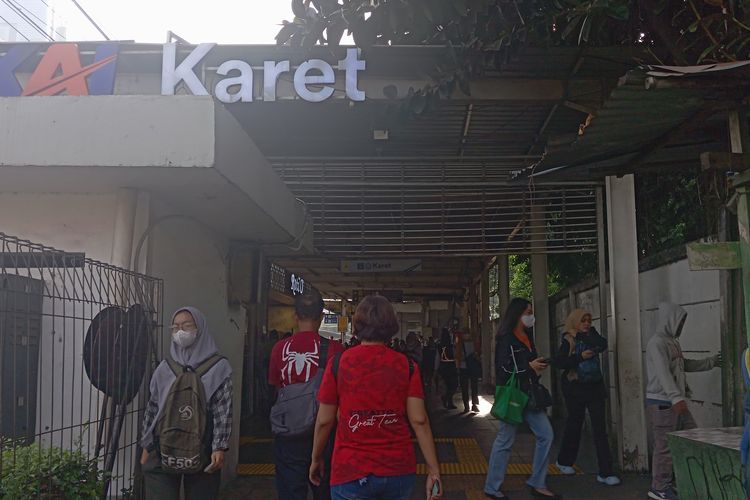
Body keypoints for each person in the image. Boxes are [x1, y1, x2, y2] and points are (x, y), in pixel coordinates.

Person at [310, 295, 442, 500]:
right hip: (397, 469)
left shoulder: (339, 363)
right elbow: (419, 420)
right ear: (391, 326)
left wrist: (316, 458)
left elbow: (325, 420)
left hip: (350, 470)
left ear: (358, 325)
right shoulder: (407, 366)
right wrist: (434, 471)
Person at [139, 307, 233, 500]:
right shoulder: (164, 367)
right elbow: (153, 408)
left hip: (202, 447)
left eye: (187, 325)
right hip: (162, 446)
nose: (180, 332)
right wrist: (146, 445)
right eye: (175, 327)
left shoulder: (219, 368)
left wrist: (219, 447)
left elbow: (222, 411)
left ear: (200, 329)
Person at [268, 290, 345, 500]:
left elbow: (276, 387)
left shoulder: (279, 348)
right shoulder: (336, 350)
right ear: (321, 317)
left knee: (291, 492)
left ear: (295, 315)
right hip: (325, 433)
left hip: (289, 433)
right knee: (325, 491)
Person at [484, 298, 560, 500]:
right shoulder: (505, 339)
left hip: (530, 395)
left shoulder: (528, 337)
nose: (531, 316)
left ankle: (537, 482)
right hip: (514, 396)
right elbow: (503, 369)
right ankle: (492, 487)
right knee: (505, 440)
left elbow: (528, 363)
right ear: (517, 314)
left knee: (546, 435)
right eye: (528, 312)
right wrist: (529, 367)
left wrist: (537, 365)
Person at [645, 302, 722, 500]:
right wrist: (676, 397)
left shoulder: (672, 342)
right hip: (663, 402)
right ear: (670, 320)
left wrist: (711, 362)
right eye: (680, 322)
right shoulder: (657, 343)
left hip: (674, 402)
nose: (681, 326)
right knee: (665, 446)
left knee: (690, 436)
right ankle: (659, 488)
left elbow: (683, 365)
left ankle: (672, 482)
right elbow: (663, 372)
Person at [552, 309, 619, 486]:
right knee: (575, 424)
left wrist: (583, 336)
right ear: (575, 322)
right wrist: (579, 357)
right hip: (575, 388)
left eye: (589, 320)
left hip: (594, 386)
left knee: (600, 429)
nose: (587, 324)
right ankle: (564, 460)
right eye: (583, 321)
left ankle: (606, 472)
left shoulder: (592, 335)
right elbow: (560, 362)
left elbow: (602, 344)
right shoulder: (568, 339)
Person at [456, 331, 481, 413]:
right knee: (471, 386)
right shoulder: (462, 344)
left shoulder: (461, 344)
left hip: (466, 367)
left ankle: (469, 405)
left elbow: (457, 356)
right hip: (467, 367)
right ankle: (471, 405)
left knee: (467, 387)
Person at [438, 328, 459, 410]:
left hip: (444, 368)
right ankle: (448, 400)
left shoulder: (440, 346)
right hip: (451, 367)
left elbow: (437, 358)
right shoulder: (450, 346)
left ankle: (447, 400)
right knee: (453, 385)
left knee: (448, 386)